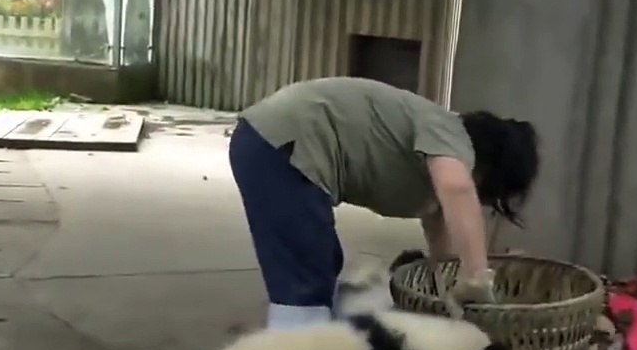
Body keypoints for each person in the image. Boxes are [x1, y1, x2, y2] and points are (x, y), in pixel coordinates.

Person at [229, 76, 541, 329]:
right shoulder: (451, 133)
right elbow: (456, 189)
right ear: (489, 166)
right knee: (305, 283)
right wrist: (477, 275)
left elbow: (441, 233)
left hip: (274, 144)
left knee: (319, 267)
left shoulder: (438, 152)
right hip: (281, 145)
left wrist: (446, 279)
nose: (481, 200)